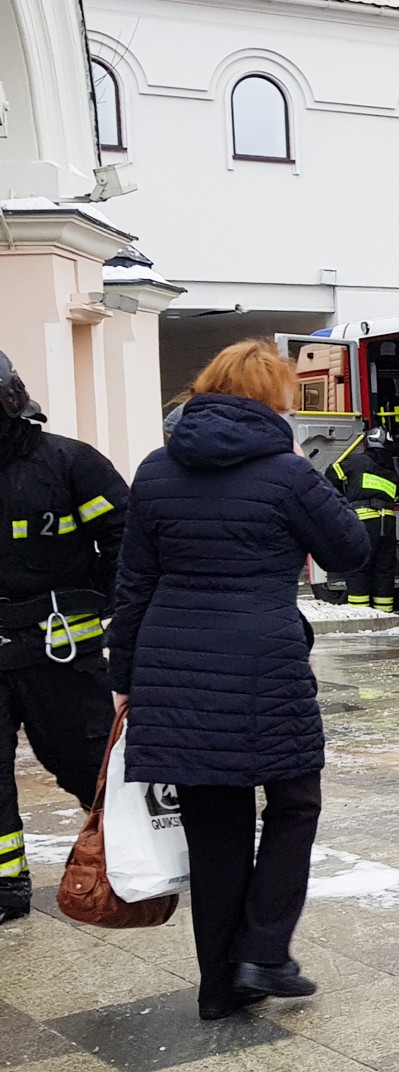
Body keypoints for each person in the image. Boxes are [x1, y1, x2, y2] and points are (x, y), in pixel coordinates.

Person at [106, 339, 369, 1020]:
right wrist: (323, 480)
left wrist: (126, 674)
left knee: (215, 827)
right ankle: (264, 949)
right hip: (262, 662)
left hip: (174, 666)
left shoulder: (157, 471)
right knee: (294, 803)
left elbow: (133, 583)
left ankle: (219, 988)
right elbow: (350, 549)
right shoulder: (286, 473)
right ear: (271, 397)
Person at [0, 350, 129, 925]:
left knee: (84, 763)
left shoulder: (70, 463)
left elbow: (127, 540)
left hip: (61, 653)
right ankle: (5, 885)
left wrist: (112, 606)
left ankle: (124, 853)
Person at [327, 426, 399, 613]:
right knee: (384, 570)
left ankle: (361, 614)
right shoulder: (392, 472)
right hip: (388, 523)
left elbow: (331, 475)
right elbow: (396, 495)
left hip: (364, 521)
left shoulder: (356, 461)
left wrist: (342, 500)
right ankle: (384, 615)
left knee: (358, 568)